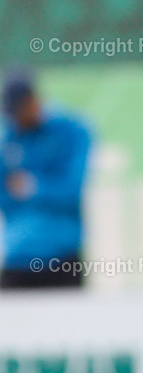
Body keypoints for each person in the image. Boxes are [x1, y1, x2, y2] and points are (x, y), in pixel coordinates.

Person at [0, 70, 92, 290]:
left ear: (33, 102)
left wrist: (34, 188)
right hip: (18, 258)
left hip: (62, 257)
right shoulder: (8, 138)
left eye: (19, 111)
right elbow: (5, 197)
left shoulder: (71, 131)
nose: (15, 119)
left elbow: (71, 191)